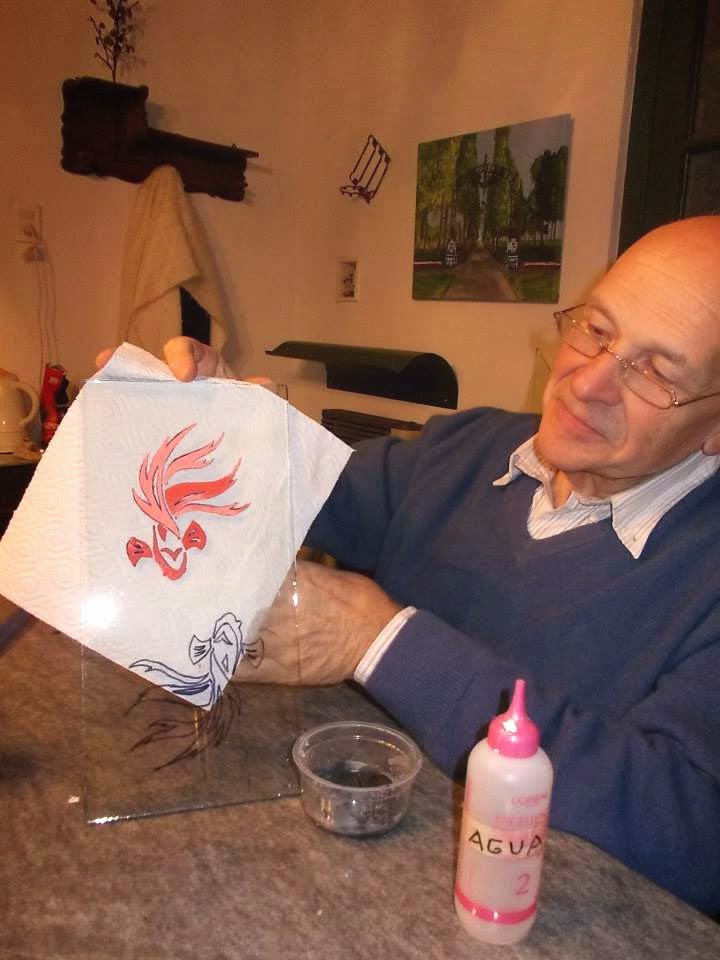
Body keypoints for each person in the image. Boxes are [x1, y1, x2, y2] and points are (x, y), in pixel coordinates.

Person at [98, 216, 720, 914]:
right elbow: (304, 492)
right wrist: (218, 428)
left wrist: (380, 642)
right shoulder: (471, 448)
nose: (587, 382)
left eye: (656, 372)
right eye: (596, 330)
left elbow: (693, 836)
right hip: (332, 860)